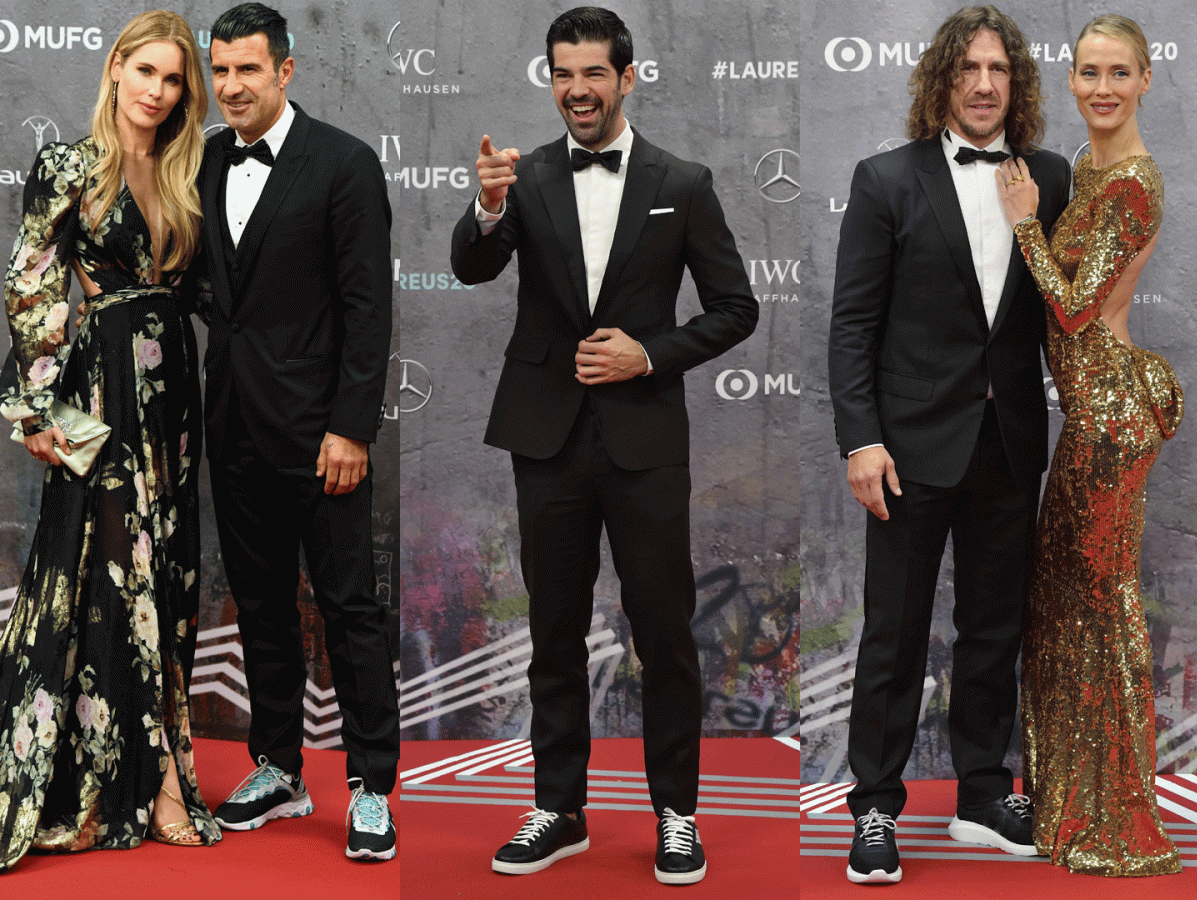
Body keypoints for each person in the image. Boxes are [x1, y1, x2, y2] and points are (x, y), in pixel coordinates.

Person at [449, 6, 757, 885]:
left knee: (663, 628)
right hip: (544, 435)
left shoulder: (683, 180)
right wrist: (487, 205)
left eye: (592, 73)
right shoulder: (525, 173)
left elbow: (738, 308)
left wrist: (649, 353)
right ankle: (559, 807)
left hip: (646, 438)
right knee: (552, 627)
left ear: (628, 77)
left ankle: (676, 815)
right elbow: (474, 265)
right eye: (561, 73)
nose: (576, 90)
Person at [828, 5, 1070, 884]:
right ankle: (875, 808)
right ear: (943, 78)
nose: (982, 84)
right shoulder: (886, 178)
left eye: (999, 69)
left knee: (993, 629)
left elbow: (1069, 310)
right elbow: (852, 325)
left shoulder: (1050, 176)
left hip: (1007, 443)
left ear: (1017, 83)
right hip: (906, 450)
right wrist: (861, 439)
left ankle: (981, 791)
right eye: (968, 68)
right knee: (892, 633)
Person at [0, 10, 220, 870]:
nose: (158, 93)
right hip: (101, 389)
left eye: (174, 81)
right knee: (106, 569)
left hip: (176, 396)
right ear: (116, 67)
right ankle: (123, 779)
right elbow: (30, 289)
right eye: (147, 73)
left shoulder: (186, 169)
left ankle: (156, 765)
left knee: (166, 568)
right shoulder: (67, 167)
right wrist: (42, 415)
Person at [195, 3, 399, 862]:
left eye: (249, 69)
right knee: (263, 606)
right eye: (221, 70)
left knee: (351, 609)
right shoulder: (203, 157)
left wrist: (351, 428)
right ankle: (278, 766)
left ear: (286, 70)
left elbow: (367, 308)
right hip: (232, 426)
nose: (231, 86)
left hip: (323, 437)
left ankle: (370, 786)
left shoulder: (345, 164)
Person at [994, 13, 1183, 877]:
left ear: (1145, 80)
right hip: (1085, 416)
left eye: (1118, 72)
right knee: (1066, 612)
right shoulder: (1083, 168)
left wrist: (1026, 224)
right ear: (1070, 81)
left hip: (1111, 425)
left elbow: (1071, 309)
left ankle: (1119, 819)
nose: (1101, 87)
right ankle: (1071, 802)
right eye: (1087, 71)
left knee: (1102, 611)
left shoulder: (1133, 184)